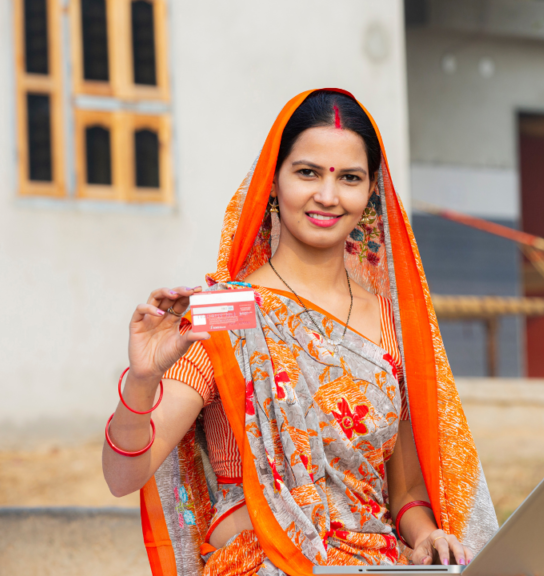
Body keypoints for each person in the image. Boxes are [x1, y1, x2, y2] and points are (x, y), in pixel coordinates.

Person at [102, 89, 498, 576]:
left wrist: (426, 536)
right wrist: (142, 380)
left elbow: (407, 491)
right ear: (273, 181)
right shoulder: (227, 311)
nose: (328, 196)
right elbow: (124, 476)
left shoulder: (390, 323)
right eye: (308, 172)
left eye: (349, 178)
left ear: (371, 191)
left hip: (376, 566)